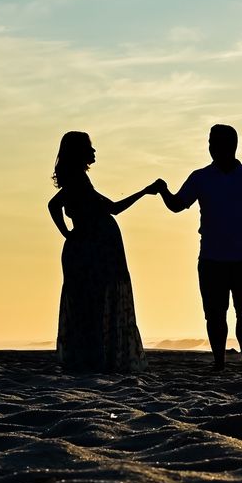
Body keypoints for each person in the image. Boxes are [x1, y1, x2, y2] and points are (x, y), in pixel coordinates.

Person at [146, 124, 242, 371]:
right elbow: (177, 205)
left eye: (217, 143)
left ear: (232, 146)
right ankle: (219, 363)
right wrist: (163, 191)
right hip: (211, 258)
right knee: (215, 315)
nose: (212, 148)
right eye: (211, 143)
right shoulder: (200, 177)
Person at [48, 131, 153, 374]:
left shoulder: (78, 180)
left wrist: (68, 232)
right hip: (93, 252)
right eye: (90, 147)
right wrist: (68, 233)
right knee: (93, 306)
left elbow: (57, 206)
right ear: (79, 153)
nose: (94, 152)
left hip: (92, 249)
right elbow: (112, 208)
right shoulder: (77, 181)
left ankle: (91, 359)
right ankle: (93, 360)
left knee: (90, 306)